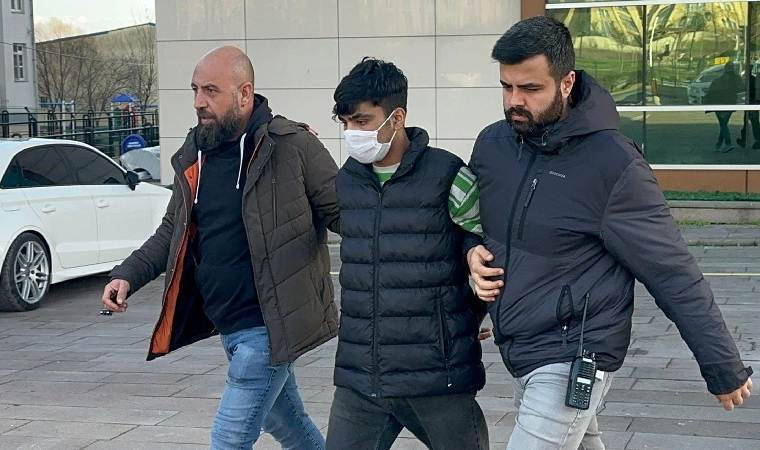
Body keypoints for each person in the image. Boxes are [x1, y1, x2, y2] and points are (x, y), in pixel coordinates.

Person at [465, 17, 753, 450]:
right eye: (506, 87)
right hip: (519, 345)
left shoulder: (614, 164)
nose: (514, 101)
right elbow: (472, 226)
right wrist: (471, 258)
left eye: (530, 89)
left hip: (573, 354)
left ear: (566, 83)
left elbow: (672, 271)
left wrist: (722, 366)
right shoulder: (493, 145)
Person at [101, 46, 340, 450]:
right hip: (229, 326)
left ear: (244, 94)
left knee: (229, 439)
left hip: (269, 327)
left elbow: (346, 214)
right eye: (195, 90)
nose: (199, 101)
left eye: (211, 91)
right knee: (290, 425)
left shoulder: (292, 146)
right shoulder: (196, 153)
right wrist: (127, 275)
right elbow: (172, 231)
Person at [325, 57, 489, 450]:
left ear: (396, 117)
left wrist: (471, 317)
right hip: (361, 378)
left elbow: (487, 246)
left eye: (362, 121)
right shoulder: (347, 181)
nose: (352, 133)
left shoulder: (447, 174)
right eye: (345, 123)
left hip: (435, 376)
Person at [704, 62, 743, 152]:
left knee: (723, 124)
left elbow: (712, 92)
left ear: (725, 69)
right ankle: (719, 143)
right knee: (724, 124)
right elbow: (741, 88)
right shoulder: (736, 79)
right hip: (730, 104)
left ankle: (727, 143)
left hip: (719, 104)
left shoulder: (719, 80)